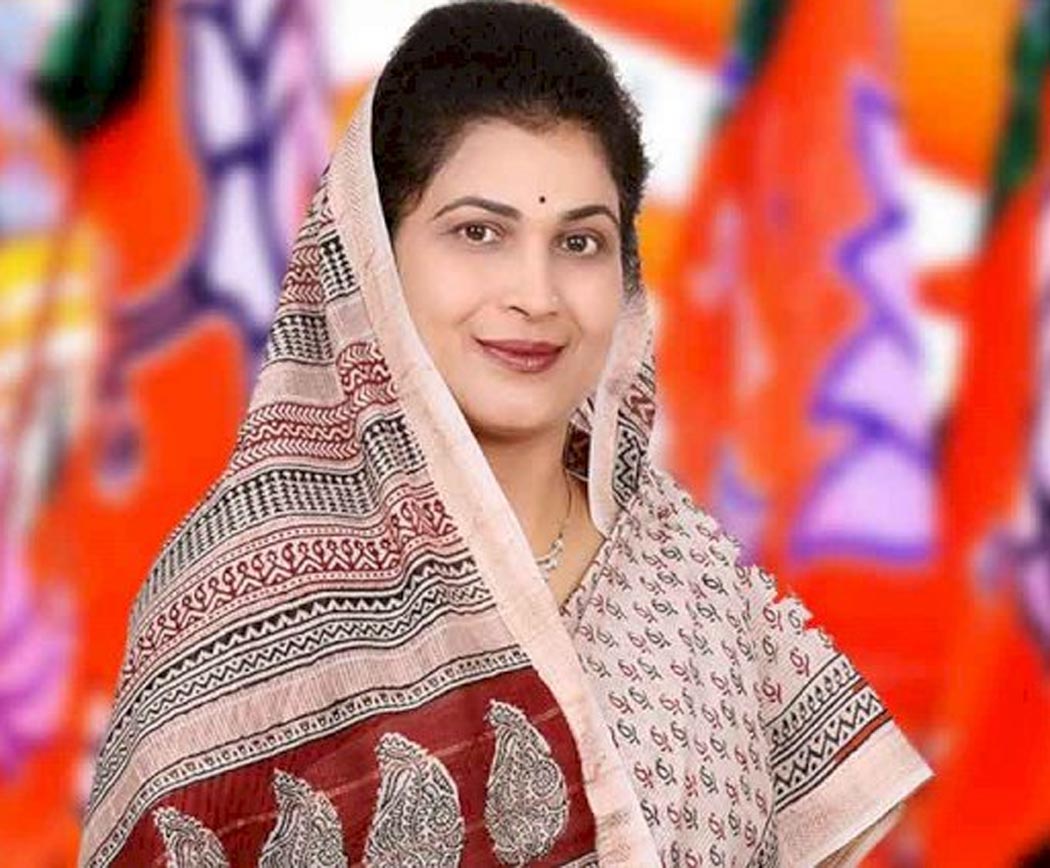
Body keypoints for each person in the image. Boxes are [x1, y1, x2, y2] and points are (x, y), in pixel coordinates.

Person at [78, 2, 932, 865]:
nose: (536, 294)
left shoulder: (698, 587)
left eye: (581, 242)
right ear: (373, 254)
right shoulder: (233, 599)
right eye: (479, 233)